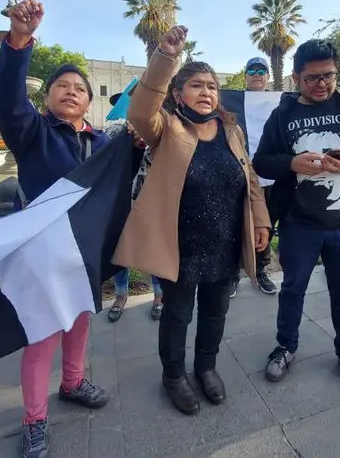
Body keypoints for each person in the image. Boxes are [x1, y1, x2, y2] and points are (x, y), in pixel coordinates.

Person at [114, 26, 271, 415]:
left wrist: (262, 222)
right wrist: (166, 58)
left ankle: (205, 367)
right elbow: (138, 111)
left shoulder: (231, 130)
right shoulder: (166, 128)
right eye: (197, 85)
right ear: (178, 92)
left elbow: (248, 176)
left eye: (213, 86)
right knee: (178, 314)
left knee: (216, 312)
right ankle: (173, 375)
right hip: (180, 247)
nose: (207, 92)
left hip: (225, 242)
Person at [0, 0, 110, 458]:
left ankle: (74, 382)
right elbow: (5, 99)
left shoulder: (103, 144)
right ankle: (35, 421)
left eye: (80, 87)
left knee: (80, 321)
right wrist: (18, 43)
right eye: (62, 85)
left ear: (89, 101)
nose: (72, 91)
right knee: (40, 341)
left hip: (84, 255)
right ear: (47, 97)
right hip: (40, 254)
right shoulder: (32, 133)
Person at [253, 39, 340, 396]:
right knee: (293, 288)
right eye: (311, 78)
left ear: (336, 72)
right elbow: (262, 161)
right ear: (296, 77)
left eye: (327, 75)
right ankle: (286, 347)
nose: (321, 84)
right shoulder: (282, 116)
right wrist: (290, 164)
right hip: (299, 223)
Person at [104, 91, 163, 322]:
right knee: (121, 248)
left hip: (152, 199)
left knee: (155, 247)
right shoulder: (113, 130)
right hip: (119, 201)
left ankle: (159, 296)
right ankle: (120, 295)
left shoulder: (159, 130)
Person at [227, 56, 278, 297]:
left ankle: (261, 271)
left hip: (272, 176)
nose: (257, 74)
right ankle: (234, 274)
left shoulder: (281, 101)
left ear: (268, 76)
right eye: (252, 70)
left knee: (266, 225)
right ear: (245, 75)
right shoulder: (231, 101)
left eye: (262, 70)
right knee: (237, 223)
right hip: (241, 174)